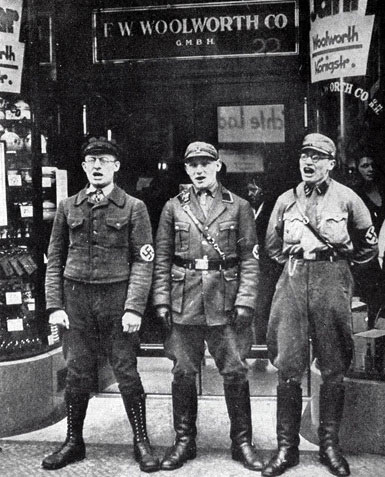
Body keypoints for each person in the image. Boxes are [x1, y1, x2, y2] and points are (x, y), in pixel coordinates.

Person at [262, 133, 378, 477]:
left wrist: (338, 265)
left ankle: (329, 446)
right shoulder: (286, 199)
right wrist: (298, 259)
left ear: (330, 163)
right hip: (294, 282)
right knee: (288, 366)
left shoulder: (347, 198)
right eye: (304, 156)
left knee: (333, 366)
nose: (308, 163)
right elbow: (272, 244)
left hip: (332, 282)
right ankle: (287, 448)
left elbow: (367, 243)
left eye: (316, 157)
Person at [42, 137, 159, 472]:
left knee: (125, 370)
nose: (97, 166)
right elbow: (55, 259)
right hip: (75, 302)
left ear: (116, 166)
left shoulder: (133, 207)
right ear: (83, 167)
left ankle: (141, 441)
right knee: (77, 371)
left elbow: (143, 261)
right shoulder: (67, 207)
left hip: (116, 300)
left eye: (104, 160)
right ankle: (73, 442)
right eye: (91, 161)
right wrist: (55, 306)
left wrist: (134, 307)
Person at [153, 141, 262, 471]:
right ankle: (184, 441)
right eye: (193, 164)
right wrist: (161, 300)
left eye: (205, 163)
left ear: (218, 166)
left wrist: (245, 300)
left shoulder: (238, 206)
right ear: (186, 169)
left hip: (224, 302)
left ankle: (241, 443)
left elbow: (250, 259)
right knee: (183, 372)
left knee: (235, 372)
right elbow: (161, 258)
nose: (199, 169)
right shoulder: (174, 207)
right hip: (183, 301)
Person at [352, 155, 385, 328]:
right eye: (365, 166)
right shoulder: (354, 195)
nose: (370, 169)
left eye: (372, 165)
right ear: (357, 168)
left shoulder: (381, 190)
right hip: (366, 259)